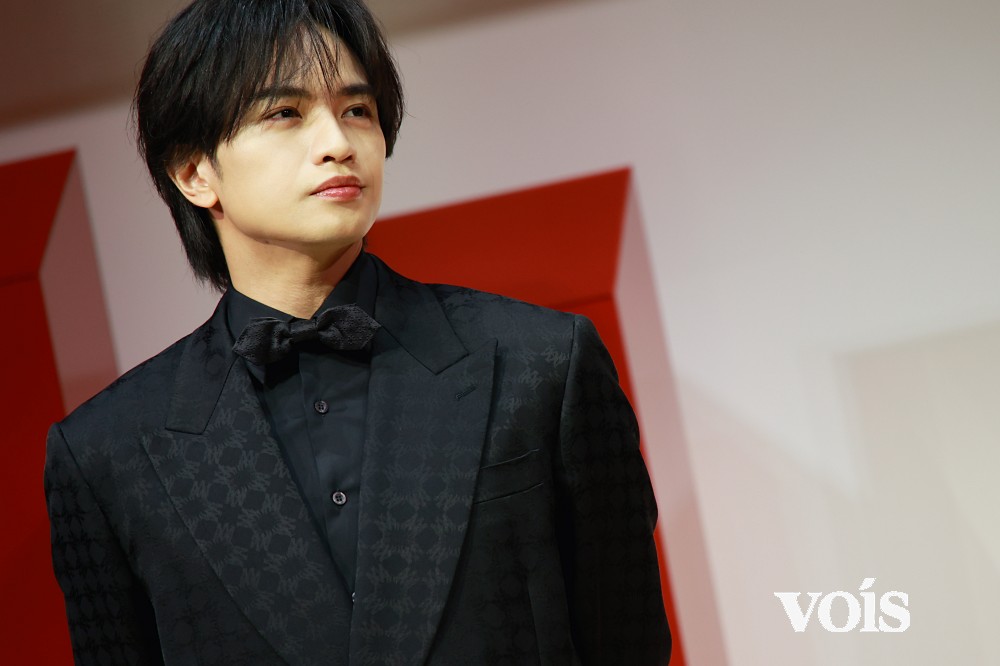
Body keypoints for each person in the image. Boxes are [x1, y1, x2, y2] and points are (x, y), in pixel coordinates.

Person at [43, 0, 672, 663]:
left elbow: (627, 640)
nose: (338, 143)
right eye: (285, 113)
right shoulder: (108, 453)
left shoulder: (541, 364)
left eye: (357, 110)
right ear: (194, 172)